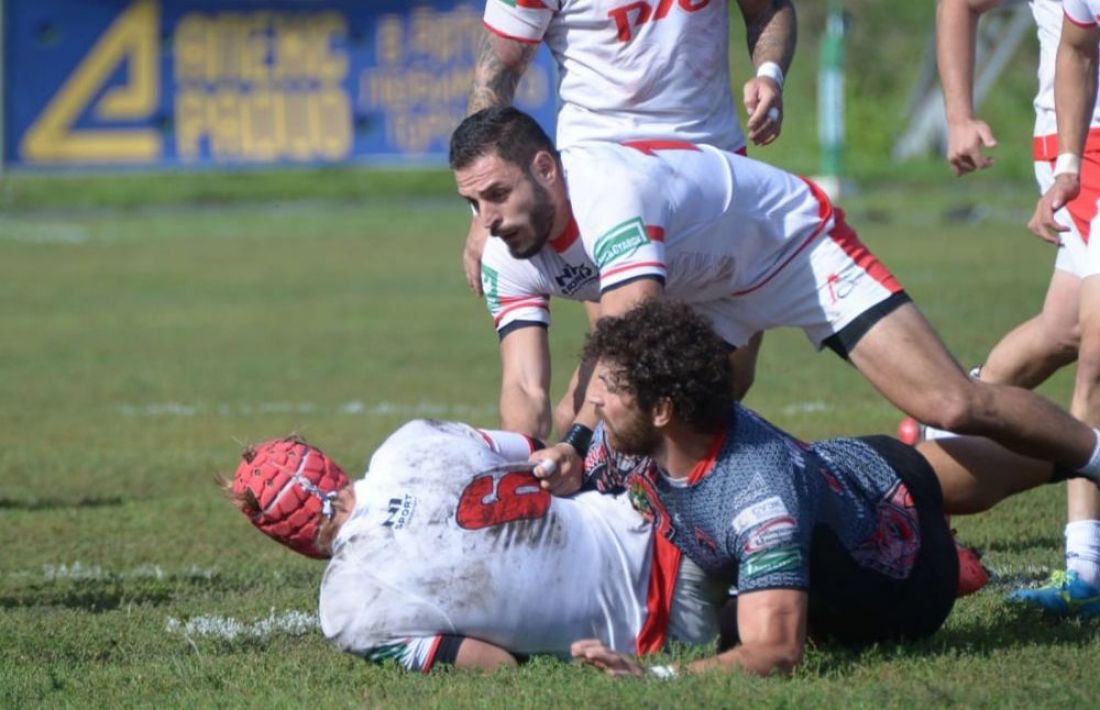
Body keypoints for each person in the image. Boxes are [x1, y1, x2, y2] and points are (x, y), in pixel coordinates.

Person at [448, 106, 1100, 496]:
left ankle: (1092, 454)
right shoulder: (502, 248)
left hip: (793, 248)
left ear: (545, 168)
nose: (489, 219)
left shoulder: (609, 191)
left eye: (498, 195)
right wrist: (526, 466)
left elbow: (628, 338)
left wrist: (575, 442)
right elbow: (525, 387)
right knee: (664, 443)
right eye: (473, 203)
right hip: (706, 294)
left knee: (951, 403)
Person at [568, 300, 1100, 678]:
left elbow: (776, 651)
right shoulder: (629, 440)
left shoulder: (758, 498)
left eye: (611, 390)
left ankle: (1081, 456)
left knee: (743, 624)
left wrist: (656, 677)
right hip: (853, 473)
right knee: (904, 474)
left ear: (663, 410)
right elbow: (575, 485)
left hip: (908, 584)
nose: (595, 403)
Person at [225, 420, 721, 672]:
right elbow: (538, 453)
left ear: (286, 538)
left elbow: (495, 665)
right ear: (327, 464)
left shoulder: (347, 609)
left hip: (660, 629)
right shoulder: (411, 439)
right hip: (669, 520)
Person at [935, 0, 1100, 616]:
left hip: (1074, 153)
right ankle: (1087, 571)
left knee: (1063, 331)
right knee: (1094, 354)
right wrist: (959, 115)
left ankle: (940, 441)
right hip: (1084, 148)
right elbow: (1075, 47)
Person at [461, 0, 797, 293]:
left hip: (713, 160)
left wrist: (770, 76)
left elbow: (768, 8)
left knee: (728, 346)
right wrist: (482, 209)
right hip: (600, 170)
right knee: (624, 340)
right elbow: (497, 72)